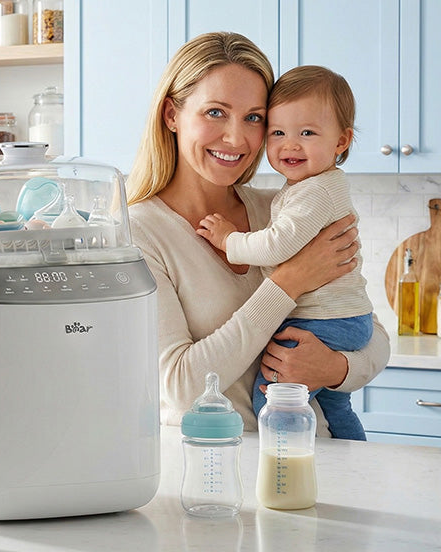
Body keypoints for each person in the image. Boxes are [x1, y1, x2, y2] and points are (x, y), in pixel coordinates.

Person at [125, 32, 389, 434]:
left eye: (254, 118)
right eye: (215, 112)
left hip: (323, 458)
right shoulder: (139, 233)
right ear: (171, 115)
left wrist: (336, 369)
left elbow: (371, 331)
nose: (236, 137)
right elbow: (181, 387)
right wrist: (288, 282)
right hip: (225, 473)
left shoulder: (288, 207)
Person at [195, 66, 373, 440]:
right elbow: (181, 385)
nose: (290, 145)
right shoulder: (304, 190)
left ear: (342, 142)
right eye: (278, 132)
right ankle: (358, 458)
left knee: (272, 403)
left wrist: (230, 240)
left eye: (307, 133)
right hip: (345, 320)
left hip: (326, 323)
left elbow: (276, 244)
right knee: (337, 406)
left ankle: (289, 471)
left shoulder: (312, 193)